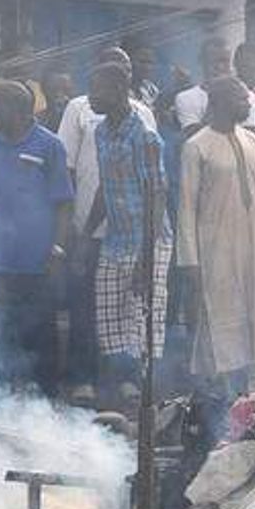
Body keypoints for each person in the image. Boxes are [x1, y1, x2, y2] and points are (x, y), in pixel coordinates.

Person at [55, 48, 156, 405]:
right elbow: (68, 166)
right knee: (84, 304)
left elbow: (153, 187)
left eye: (129, 67)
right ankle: (83, 378)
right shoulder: (79, 109)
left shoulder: (144, 119)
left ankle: (125, 381)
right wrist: (73, 226)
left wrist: (149, 245)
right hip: (90, 222)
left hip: (131, 234)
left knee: (128, 310)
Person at [176, 77, 255, 402]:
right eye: (240, 98)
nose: (248, 103)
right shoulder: (196, 145)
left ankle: (251, 390)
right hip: (215, 245)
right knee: (220, 312)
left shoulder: (252, 139)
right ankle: (218, 392)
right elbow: (186, 206)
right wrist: (189, 259)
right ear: (219, 102)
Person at [0, 80, 73, 394]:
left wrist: (58, 249)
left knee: (41, 337)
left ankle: (46, 402)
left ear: (17, 111)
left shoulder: (50, 145)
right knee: (1, 334)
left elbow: (65, 203)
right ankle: (4, 401)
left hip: (39, 262)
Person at [87, 63, 167, 407]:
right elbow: (105, 186)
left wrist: (145, 259)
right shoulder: (101, 132)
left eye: (98, 90)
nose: (91, 97)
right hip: (116, 239)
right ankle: (122, 390)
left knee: (144, 317)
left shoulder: (145, 135)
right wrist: (85, 233)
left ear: (120, 89)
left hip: (149, 239)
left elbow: (158, 196)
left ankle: (145, 395)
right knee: (108, 313)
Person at [171, 36, 233, 133]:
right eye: (213, 61)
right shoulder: (185, 98)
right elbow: (194, 136)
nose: (220, 67)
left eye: (225, 61)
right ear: (201, 61)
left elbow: (249, 136)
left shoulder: (246, 97)